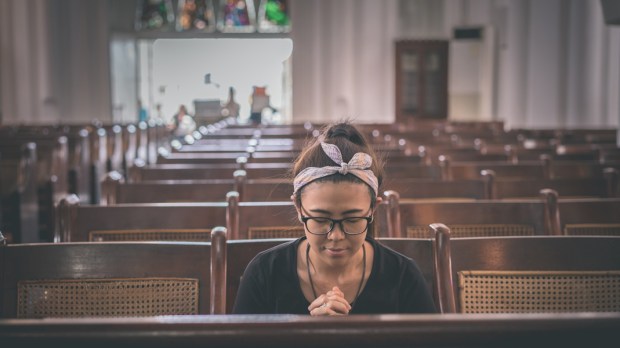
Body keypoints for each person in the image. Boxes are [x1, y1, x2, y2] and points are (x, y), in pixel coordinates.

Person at [233, 121, 437, 315]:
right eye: (321, 220)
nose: (336, 236)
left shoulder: (403, 276)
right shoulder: (265, 273)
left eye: (352, 219)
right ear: (299, 207)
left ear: (373, 209)